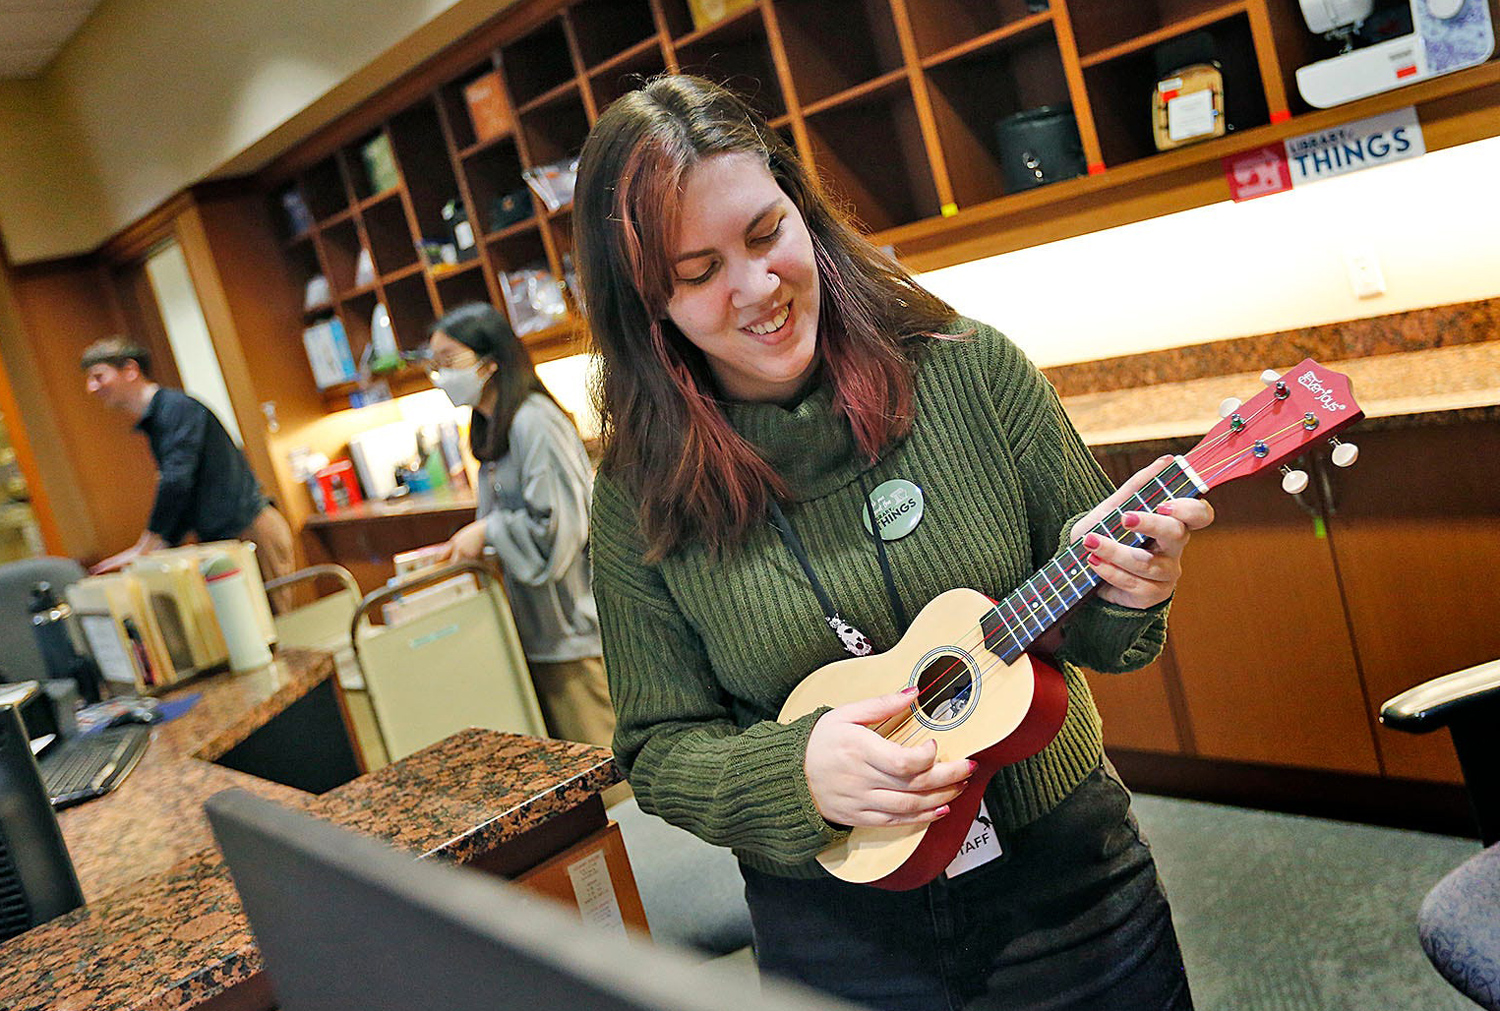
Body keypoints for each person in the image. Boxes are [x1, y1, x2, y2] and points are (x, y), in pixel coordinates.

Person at [572, 75, 1214, 1011]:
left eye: (765, 234)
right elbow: (659, 748)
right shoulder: (639, 494)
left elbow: (1105, 640)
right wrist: (794, 772)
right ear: (646, 302)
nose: (757, 289)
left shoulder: (970, 371)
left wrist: (1135, 588)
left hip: (1068, 889)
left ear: (805, 213)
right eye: (700, 272)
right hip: (837, 935)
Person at [425, 302, 615, 752]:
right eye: (434, 365)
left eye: (449, 362)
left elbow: (561, 532)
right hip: (539, 628)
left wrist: (489, 531)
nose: (439, 375)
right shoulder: (495, 427)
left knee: (603, 762)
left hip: (572, 628)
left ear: (490, 363)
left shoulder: (535, 422)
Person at [81, 337, 295, 597]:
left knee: (272, 630)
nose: (91, 388)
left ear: (130, 370)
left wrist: (148, 543)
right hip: (228, 540)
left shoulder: (176, 409)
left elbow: (176, 481)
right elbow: (184, 491)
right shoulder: (161, 417)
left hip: (249, 532)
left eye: (99, 376)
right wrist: (155, 547)